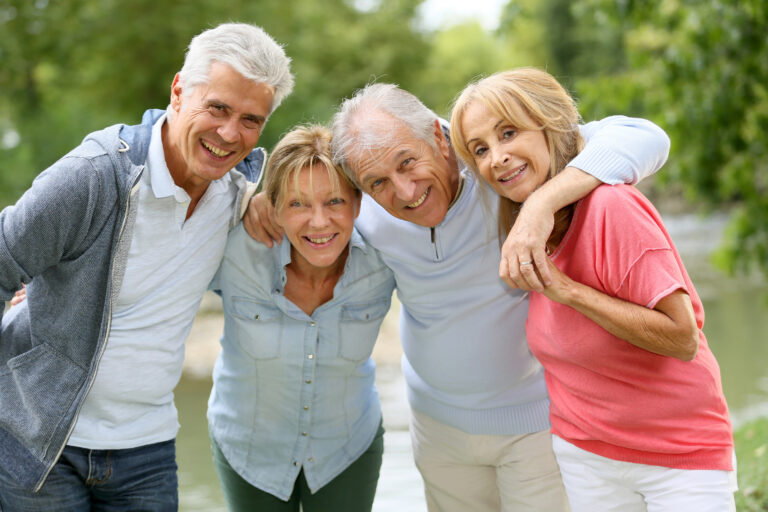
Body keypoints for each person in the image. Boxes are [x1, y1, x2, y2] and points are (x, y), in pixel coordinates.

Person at [244, 82, 670, 511]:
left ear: (437, 136)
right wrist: (259, 200)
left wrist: (541, 205)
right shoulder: (363, 209)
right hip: (437, 431)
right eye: (378, 182)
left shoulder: (497, 169)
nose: (406, 192)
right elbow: (310, 201)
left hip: (538, 424)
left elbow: (646, 136)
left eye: (408, 163)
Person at [0, 23, 293, 510]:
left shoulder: (237, 191)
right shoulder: (92, 178)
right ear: (179, 90)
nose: (229, 133)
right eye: (217, 107)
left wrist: (261, 202)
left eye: (250, 119)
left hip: (147, 448)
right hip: (38, 445)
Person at [450, 67, 735, 511]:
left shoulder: (610, 206)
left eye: (509, 133)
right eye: (481, 149)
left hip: (678, 456)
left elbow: (682, 339)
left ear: (550, 127)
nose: (497, 157)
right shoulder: (520, 224)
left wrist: (569, 292)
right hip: (586, 457)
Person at [208, 125, 395, 511]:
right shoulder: (232, 249)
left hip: (346, 448)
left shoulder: (385, 259)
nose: (319, 222)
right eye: (297, 204)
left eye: (335, 202)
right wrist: (246, 200)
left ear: (358, 204)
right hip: (248, 450)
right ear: (273, 206)